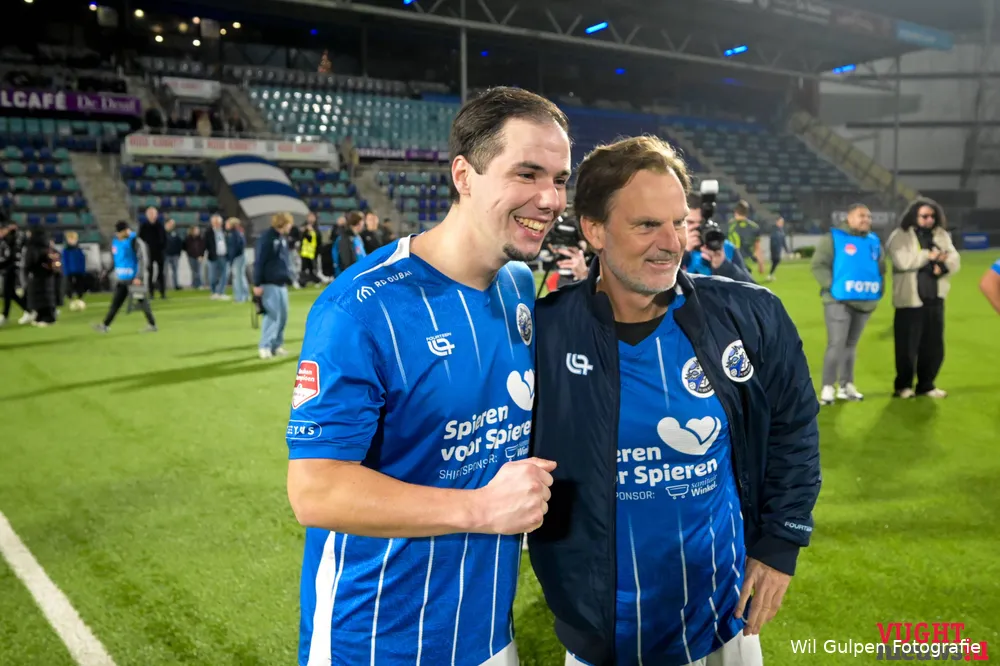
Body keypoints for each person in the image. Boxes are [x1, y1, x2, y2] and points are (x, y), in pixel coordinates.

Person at [284, 86, 571, 666]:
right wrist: (481, 509)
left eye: (560, 179)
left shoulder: (518, 286)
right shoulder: (360, 308)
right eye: (527, 173)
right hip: (377, 640)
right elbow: (315, 490)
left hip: (488, 632)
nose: (550, 199)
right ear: (464, 175)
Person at [528, 135, 821, 666]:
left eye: (679, 222)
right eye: (646, 225)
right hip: (602, 628)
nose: (671, 243)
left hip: (725, 614)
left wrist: (780, 543)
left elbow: (794, 427)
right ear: (595, 230)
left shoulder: (750, 316)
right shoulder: (544, 335)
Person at [809, 204, 885, 405]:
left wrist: (879, 290)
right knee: (837, 343)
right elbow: (818, 265)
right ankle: (827, 387)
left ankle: (846, 385)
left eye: (869, 216)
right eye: (861, 216)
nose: (866, 219)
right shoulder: (833, 238)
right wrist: (832, 286)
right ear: (849, 218)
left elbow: (881, 268)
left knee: (851, 345)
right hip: (837, 300)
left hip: (864, 300)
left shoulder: (874, 241)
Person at [886, 198, 960, 399]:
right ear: (914, 216)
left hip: (935, 298)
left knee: (934, 347)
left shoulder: (941, 235)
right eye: (925, 216)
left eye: (932, 216)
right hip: (910, 300)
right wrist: (929, 255)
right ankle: (903, 386)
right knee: (907, 347)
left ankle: (926, 385)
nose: (929, 220)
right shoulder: (900, 235)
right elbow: (903, 261)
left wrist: (943, 267)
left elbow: (954, 259)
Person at [93, 221, 157, 334]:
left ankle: (152, 324)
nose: (125, 232)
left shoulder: (135, 241)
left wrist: (139, 277)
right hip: (122, 278)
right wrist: (107, 272)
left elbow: (142, 260)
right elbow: (115, 260)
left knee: (143, 302)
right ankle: (105, 325)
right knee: (116, 303)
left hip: (134, 279)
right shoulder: (115, 242)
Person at [253, 213, 294, 359]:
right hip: (269, 283)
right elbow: (259, 261)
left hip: (281, 283)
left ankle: (276, 345)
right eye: (289, 223)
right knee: (272, 315)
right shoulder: (267, 238)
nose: (291, 226)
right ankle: (264, 346)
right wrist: (257, 283)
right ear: (283, 223)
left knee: (283, 316)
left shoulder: (281, 238)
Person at [682, 202, 752, 282]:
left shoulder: (726, 248)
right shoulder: (673, 249)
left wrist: (723, 265)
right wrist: (684, 253)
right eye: (690, 222)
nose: (697, 227)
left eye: (702, 222)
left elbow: (750, 286)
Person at [22, 228, 60, 326]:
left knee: (42, 297)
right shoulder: (46, 247)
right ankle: (41, 316)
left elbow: (30, 262)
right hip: (46, 276)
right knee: (43, 297)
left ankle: (47, 318)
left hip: (38, 276)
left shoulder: (33, 248)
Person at [0, 223, 30, 325]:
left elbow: (9, 257)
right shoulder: (7, 239)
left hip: (11, 269)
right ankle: (27, 310)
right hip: (8, 269)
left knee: (8, 292)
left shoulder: (10, 239)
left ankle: (6, 315)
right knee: (9, 293)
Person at [727, 201, 765, 275]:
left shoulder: (729, 226)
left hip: (732, 263)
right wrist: (761, 264)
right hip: (748, 264)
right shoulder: (754, 227)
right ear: (747, 212)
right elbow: (757, 249)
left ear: (735, 212)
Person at [138, 206, 167, 300]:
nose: (152, 215)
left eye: (153, 213)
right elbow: (140, 239)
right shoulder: (144, 226)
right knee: (149, 273)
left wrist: (163, 249)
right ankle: (151, 293)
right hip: (148, 252)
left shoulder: (160, 225)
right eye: (150, 214)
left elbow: (164, 239)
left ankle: (162, 292)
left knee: (161, 273)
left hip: (159, 252)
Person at [332, 210, 367, 277]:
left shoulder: (356, 237)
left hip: (359, 274)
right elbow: (346, 262)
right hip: (351, 276)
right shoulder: (345, 238)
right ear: (359, 222)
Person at [61, 230, 88, 311]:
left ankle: (80, 299)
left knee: (80, 286)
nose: (72, 240)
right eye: (70, 239)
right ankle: (70, 299)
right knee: (68, 286)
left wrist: (83, 270)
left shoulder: (79, 249)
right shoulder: (66, 250)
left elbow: (82, 260)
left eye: (74, 239)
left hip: (79, 271)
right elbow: (65, 261)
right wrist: (66, 271)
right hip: (69, 271)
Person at [205, 215, 230, 300]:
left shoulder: (225, 231)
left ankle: (221, 292)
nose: (217, 224)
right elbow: (205, 244)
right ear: (212, 223)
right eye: (215, 222)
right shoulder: (208, 232)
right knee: (213, 276)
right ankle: (214, 292)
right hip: (213, 256)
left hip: (224, 256)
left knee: (225, 274)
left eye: (218, 222)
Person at [226, 217, 249, 303]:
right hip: (241, 256)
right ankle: (245, 295)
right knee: (241, 277)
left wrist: (231, 259)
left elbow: (234, 248)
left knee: (237, 278)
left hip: (237, 257)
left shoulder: (234, 234)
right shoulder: (239, 232)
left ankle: (240, 297)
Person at [298, 217, 321, 287]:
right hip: (307, 254)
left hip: (308, 254)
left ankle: (303, 283)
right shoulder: (312, 233)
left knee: (305, 269)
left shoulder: (311, 233)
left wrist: (305, 230)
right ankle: (315, 281)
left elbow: (307, 238)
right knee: (309, 270)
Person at [183, 225, 205, 289]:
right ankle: (194, 284)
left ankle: (199, 284)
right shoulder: (188, 238)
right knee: (193, 271)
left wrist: (201, 255)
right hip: (191, 257)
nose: (197, 231)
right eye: (196, 230)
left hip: (199, 257)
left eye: (198, 230)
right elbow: (185, 247)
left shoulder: (200, 238)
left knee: (198, 271)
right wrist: (189, 253)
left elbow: (203, 248)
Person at [768, 217, 790, 282]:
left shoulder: (781, 230)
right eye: (780, 222)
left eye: (782, 222)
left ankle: (771, 275)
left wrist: (786, 249)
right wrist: (773, 248)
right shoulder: (774, 229)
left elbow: (783, 241)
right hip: (774, 249)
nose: (782, 223)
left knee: (776, 261)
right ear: (777, 222)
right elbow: (772, 240)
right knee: (776, 260)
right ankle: (770, 275)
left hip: (778, 249)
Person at [164, 219, 183, 291]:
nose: (172, 225)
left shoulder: (175, 232)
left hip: (175, 255)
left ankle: (176, 285)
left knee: (175, 271)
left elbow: (179, 243)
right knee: (164, 271)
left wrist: (179, 253)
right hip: (166, 255)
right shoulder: (162, 232)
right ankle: (164, 285)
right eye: (170, 223)